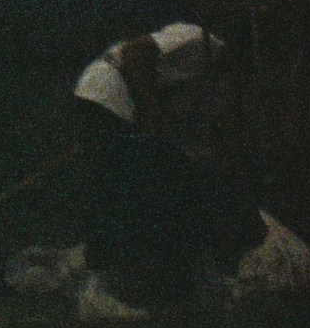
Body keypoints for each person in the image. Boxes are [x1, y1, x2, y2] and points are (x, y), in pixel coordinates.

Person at [71, 21, 229, 312]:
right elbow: (134, 54)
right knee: (113, 190)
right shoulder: (197, 39)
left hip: (122, 105)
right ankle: (106, 284)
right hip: (107, 92)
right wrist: (151, 115)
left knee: (134, 191)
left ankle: (139, 281)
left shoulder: (210, 85)